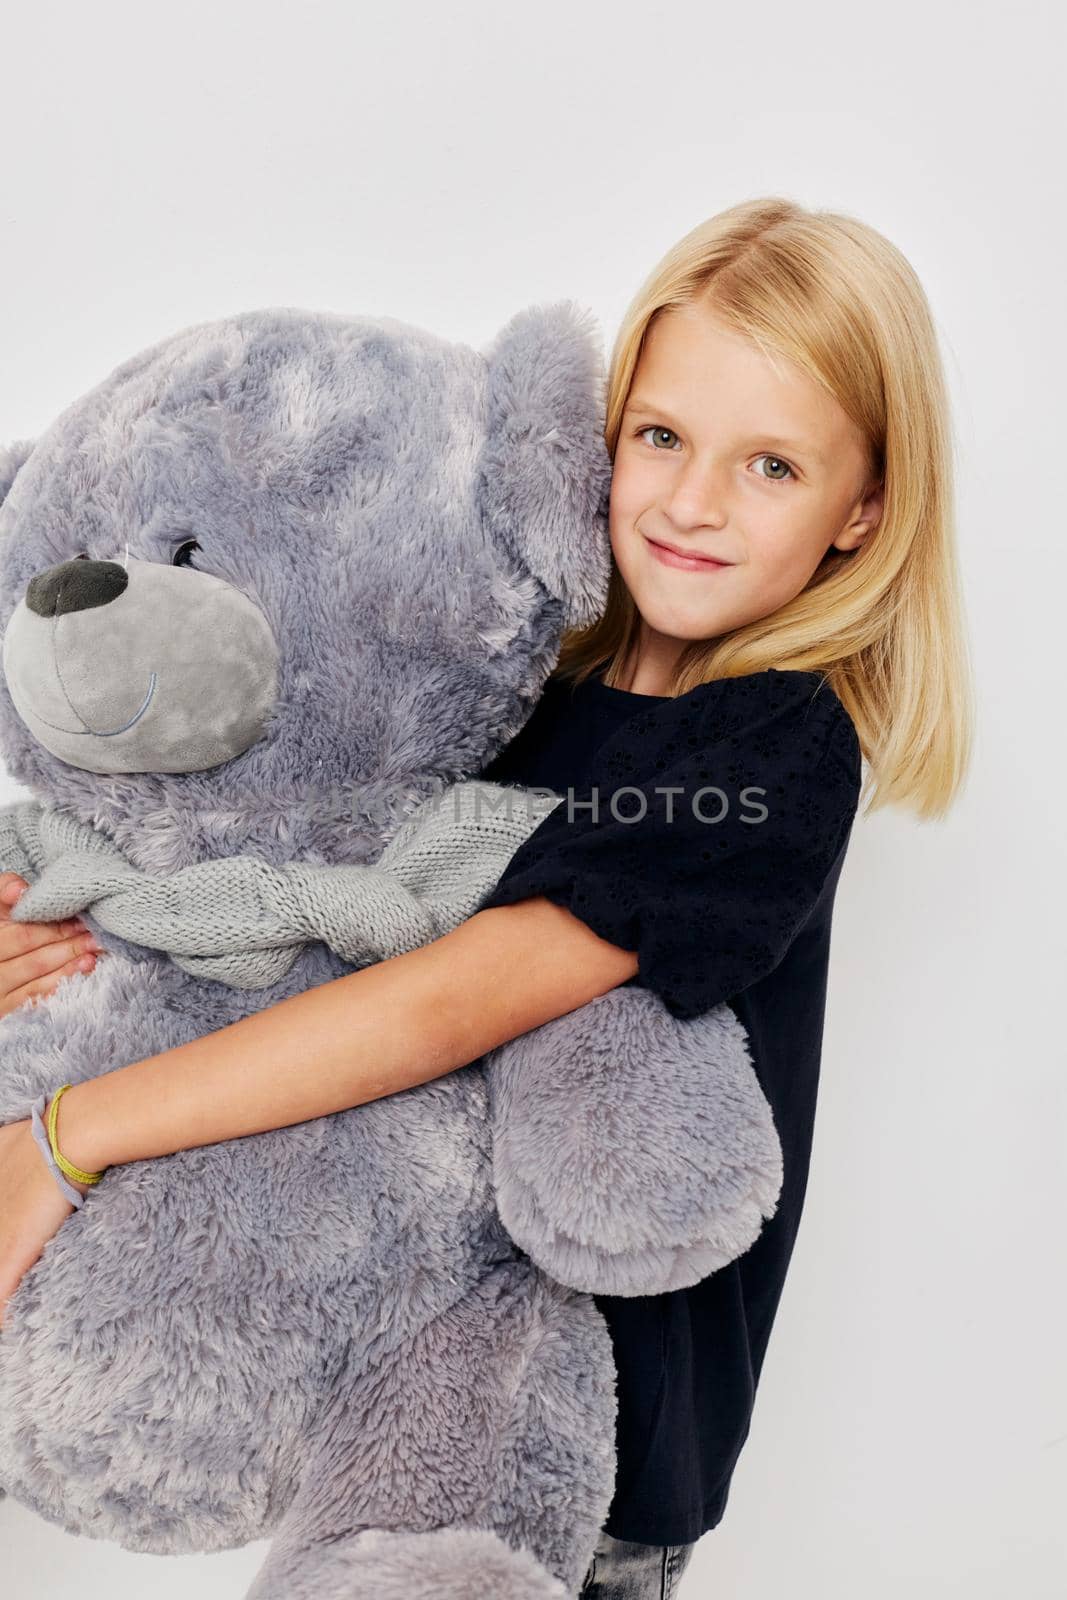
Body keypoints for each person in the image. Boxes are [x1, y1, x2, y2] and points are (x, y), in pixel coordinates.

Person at [0, 194, 973, 1600]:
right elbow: (297, 898)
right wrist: (58, 919)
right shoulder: (526, 703)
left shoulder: (773, 750)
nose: (694, 502)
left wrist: (68, 1137)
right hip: (381, 1360)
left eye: (772, 465)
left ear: (863, 508)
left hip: (583, 1461)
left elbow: (450, 1003)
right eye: (662, 437)